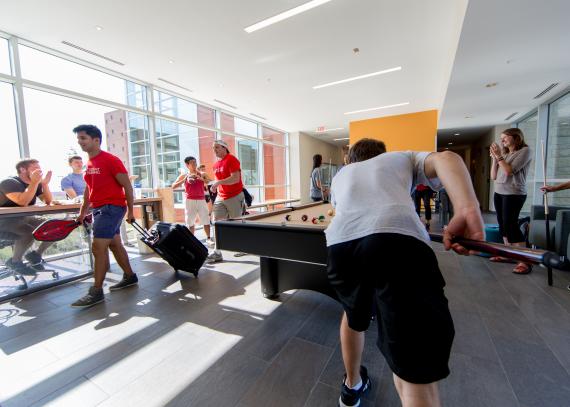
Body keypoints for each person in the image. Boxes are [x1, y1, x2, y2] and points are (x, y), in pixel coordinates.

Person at [325, 138, 484, 407]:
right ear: (382, 154)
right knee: (412, 372)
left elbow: (343, 211)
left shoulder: (342, 174)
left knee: (353, 315)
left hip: (341, 245)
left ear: (351, 159)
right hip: (396, 239)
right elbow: (447, 158)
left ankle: (351, 387)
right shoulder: (400, 157)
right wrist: (468, 208)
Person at [71, 124, 138, 308]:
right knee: (115, 245)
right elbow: (88, 190)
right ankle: (130, 276)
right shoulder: (89, 164)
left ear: (96, 140)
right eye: (79, 139)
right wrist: (82, 213)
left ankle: (96, 292)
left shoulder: (110, 160)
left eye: (83, 138)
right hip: (100, 209)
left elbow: (127, 186)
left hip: (111, 208)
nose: (80, 142)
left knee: (98, 248)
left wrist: (131, 211)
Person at [0, 159, 55, 275]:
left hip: (23, 218)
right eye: (35, 169)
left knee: (53, 226)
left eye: (39, 169)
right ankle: (15, 261)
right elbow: (22, 201)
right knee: (29, 232)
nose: (39, 172)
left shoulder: (34, 184)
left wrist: (44, 184)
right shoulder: (9, 182)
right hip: (4, 221)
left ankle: (36, 255)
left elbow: (48, 200)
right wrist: (35, 183)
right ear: (22, 170)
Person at [490, 128, 533, 274]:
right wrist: (495, 159)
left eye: (505, 138)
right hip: (499, 192)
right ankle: (508, 254)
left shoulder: (525, 151)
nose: (502, 141)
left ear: (516, 137)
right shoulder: (506, 154)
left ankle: (524, 261)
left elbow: (509, 171)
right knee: (503, 225)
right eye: (501, 138)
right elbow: (493, 176)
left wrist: (499, 157)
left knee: (511, 224)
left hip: (514, 193)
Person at [206, 139, 244, 263]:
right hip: (221, 197)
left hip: (234, 195)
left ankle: (243, 247)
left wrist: (219, 182)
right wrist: (214, 185)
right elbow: (220, 181)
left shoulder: (231, 159)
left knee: (236, 223)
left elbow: (235, 178)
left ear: (224, 148)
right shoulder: (215, 165)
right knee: (216, 222)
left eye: (217, 147)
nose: (214, 150)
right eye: (213, 148)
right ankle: (217, 252)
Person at [172, 156, 214, 247]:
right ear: (187, 165)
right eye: (192, 163)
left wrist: (200, 178)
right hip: (189, 200)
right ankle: (192, 240)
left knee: (206, 219)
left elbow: (210, 182)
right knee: (190, 221)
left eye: (195, 162)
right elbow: (173, 186)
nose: (195, 164)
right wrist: (184, 180)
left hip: (201, 200)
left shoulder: (201, 173)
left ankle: (208, 238)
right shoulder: (184, 175)